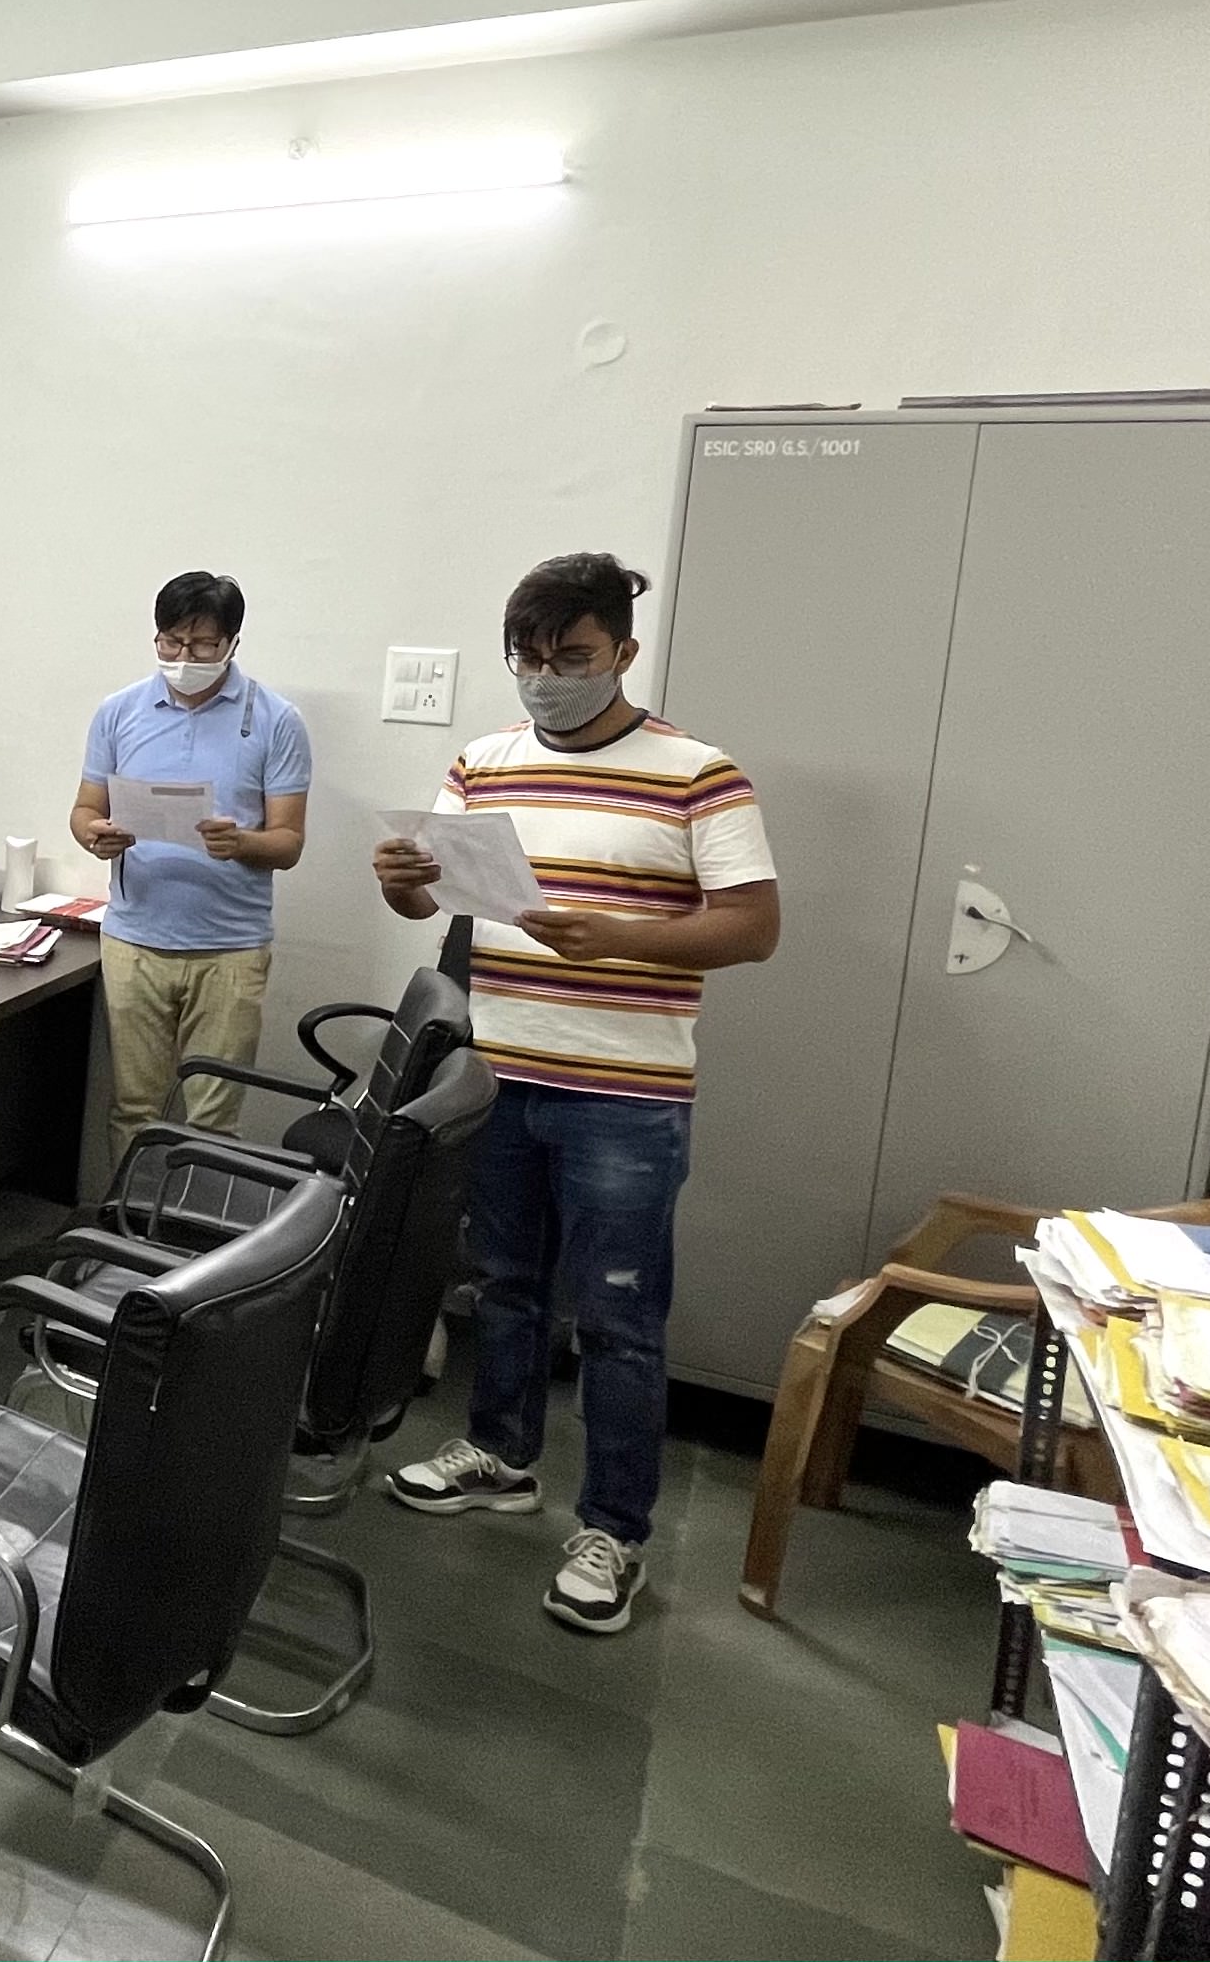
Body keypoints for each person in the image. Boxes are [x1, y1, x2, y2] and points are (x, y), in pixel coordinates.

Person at [373, 551, 780, 1636]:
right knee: (503, 1283)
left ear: (623, 652)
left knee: (617, 1318)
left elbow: (753, 927)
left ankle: (614, 1529)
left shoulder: (697, 773)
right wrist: (403, 883)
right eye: (529, 657)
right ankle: (500, 1453)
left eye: (572, 656)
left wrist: (621, 937)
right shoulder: (484, 761)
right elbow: (436, 903)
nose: (546, 676)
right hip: (498, 1074)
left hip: (624, 1095)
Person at [69, 570, 313, 1143]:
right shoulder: (118, 711)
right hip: (134, 940)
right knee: (135, 1110)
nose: (183, 657)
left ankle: (194, 1207)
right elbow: (84, 810)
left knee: (212, 1121)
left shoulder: (276, 720)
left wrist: (241, 843)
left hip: (230, 949)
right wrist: (95, 835)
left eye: (202, 645)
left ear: (233, 643)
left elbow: (289, 842)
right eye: (171, 642)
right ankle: (130, 1205)